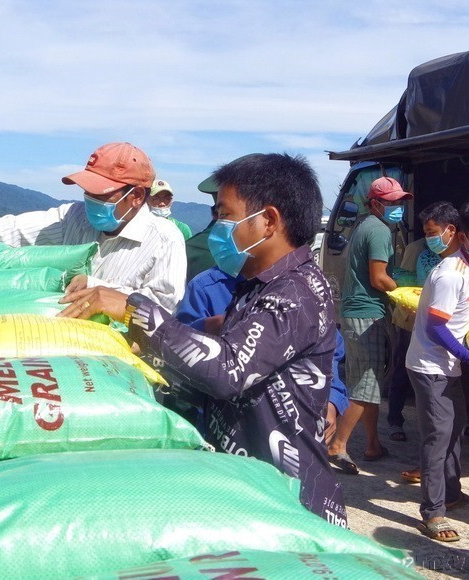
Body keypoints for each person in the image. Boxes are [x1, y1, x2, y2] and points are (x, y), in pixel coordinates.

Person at [59, 153, 348, 527]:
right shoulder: (258, 289)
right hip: (248, 489)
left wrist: (135, 309)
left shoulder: (295, 293)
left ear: (269, 221)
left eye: (225, 214)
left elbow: (226, 371)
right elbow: (213, 351)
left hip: (288, 502)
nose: (216, 227)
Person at [0, 142, 186, 311]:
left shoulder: (165, 239)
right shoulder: (74, 217)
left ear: (137, 196)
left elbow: (163, 306)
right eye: (87, 191)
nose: (90, 200)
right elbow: (12, 230)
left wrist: (99, 288)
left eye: (101, 194)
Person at [405, 201, 469, 542]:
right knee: (438, 437)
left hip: (448, 365)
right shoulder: (450, 274)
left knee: (454, 430)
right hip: (430, 366)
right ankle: (433, 513)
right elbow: (437, 327)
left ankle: (451, 492)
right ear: (464, 238)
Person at [327, 176, 412, 474]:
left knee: (367, 382)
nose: (398, 206)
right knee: (366, 387)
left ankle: (373, 444)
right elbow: (379, 278)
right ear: (375, 203)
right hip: (368, 314)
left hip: (355, 313)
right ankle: (337, 445)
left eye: (400, 201)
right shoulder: (379, 231)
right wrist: (405, 294)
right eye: (391, 202)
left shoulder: (363, 226)